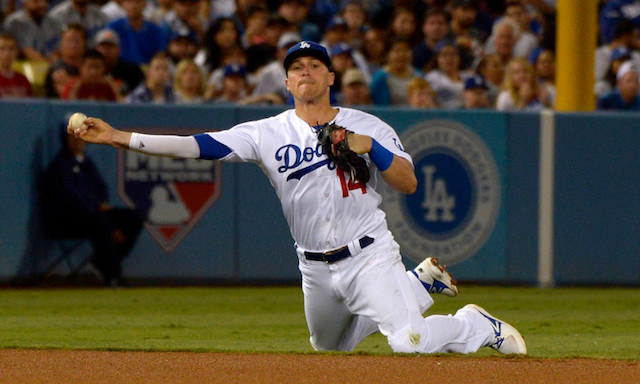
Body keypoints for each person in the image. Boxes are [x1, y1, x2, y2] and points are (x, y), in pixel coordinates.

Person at [69, 40, 527, 355]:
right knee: (329, 347)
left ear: (330, 76)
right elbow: (197, 145)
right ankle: (419, 286)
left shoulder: (366, 124)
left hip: (369, 255)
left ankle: (474, 326)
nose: (304, 72)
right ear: (286, 83)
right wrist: (117, 137)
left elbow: (408, 182)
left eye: (313, 66)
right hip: (313, 265)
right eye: (295, 68)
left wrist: (374, 148)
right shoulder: (266, 133)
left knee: (408, 343)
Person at [40, 121, 143, 287]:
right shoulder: (60, 166)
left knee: (133, 218)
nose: (77, 141)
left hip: (92, 213)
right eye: (71, 137)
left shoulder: (85, 162)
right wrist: (109, 226)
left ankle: (102, 263)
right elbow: (74, 199)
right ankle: (112, 276)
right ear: (64, 140)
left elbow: (101, 186)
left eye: (79, 136)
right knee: (99, 222)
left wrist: (101, 204)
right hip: (66, 220)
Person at [106, 0, 167, 65]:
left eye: (137, 1)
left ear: (145, 4)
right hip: (120, 70)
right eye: (129, 2)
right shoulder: (113, 27)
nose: (133, 6)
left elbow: (160, 55)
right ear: (122, 5)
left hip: (147, 70)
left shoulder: (156, 31)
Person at [93, 28, 144, 97]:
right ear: (96, 49)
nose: (106, 51)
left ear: (119, 50)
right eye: (103, 47)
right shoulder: (89, 70)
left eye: (110, 47)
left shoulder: (132, 71)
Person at [0, 32, 33, 98]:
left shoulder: (23, 79)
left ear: (17, 52)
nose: (7, 53)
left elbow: (30, 104)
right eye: (2, 49)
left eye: (11, 49)